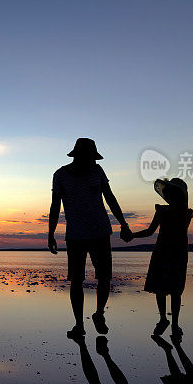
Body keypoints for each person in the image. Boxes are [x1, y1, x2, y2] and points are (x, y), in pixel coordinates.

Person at [48, 137, 131, 338]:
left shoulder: (97, 171)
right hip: (75, 236)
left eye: (94, 158)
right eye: (91, 157)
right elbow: (54, 206)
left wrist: (123, 223)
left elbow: (110, 197)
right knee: (76, 281)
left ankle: (99, 313)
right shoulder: (60, 175)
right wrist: (50, 234)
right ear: (79, 156)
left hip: (101, 232)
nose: (93, 161)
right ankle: (79, 325)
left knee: (104, 278)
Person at [128, 177, 193, 336]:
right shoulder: (177, 212)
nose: (170, 196)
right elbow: (150, 232)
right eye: (169, 193)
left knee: (173, 290)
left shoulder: (175, 212)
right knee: (164, 289)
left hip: (174, 253)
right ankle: (166, 320)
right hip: (167, 252)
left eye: (173, 194)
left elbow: (150, 232)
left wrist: (132, 235)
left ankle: (172, 324)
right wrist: (133, 236)